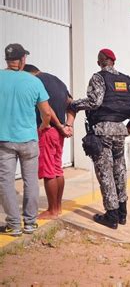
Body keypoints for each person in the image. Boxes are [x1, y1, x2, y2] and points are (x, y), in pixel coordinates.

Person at [69, 48, 130, 229]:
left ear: (101, 61)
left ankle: (111, 216)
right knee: (119, 171)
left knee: (105, 172)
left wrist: (74, 104)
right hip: (120, 131)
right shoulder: (127, 80)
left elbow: (94, 102)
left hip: (103, 130)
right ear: (113, 61)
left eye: (98, 60)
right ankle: (122, 213)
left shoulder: (98, 77)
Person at [0, 44, 52, 237]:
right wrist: (42, 126)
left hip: (3, 140)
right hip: (28, 139)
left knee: (5, 181)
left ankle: (13, 224)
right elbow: (46, 112)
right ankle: (30, 223)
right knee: (30, 180)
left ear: (7, 60)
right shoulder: (33, 81)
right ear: (22, 60)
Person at [23, 64, 76, 219]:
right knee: (57, 169)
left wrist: (59, 126)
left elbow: (47, 109)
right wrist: (68, 125)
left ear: (28, 74)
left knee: (48, 171)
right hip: (58, 134)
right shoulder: (57, 81)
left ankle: (52, 210)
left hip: (48, 130)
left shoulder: (35, 81)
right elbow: (73, 104)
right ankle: (57, 208)